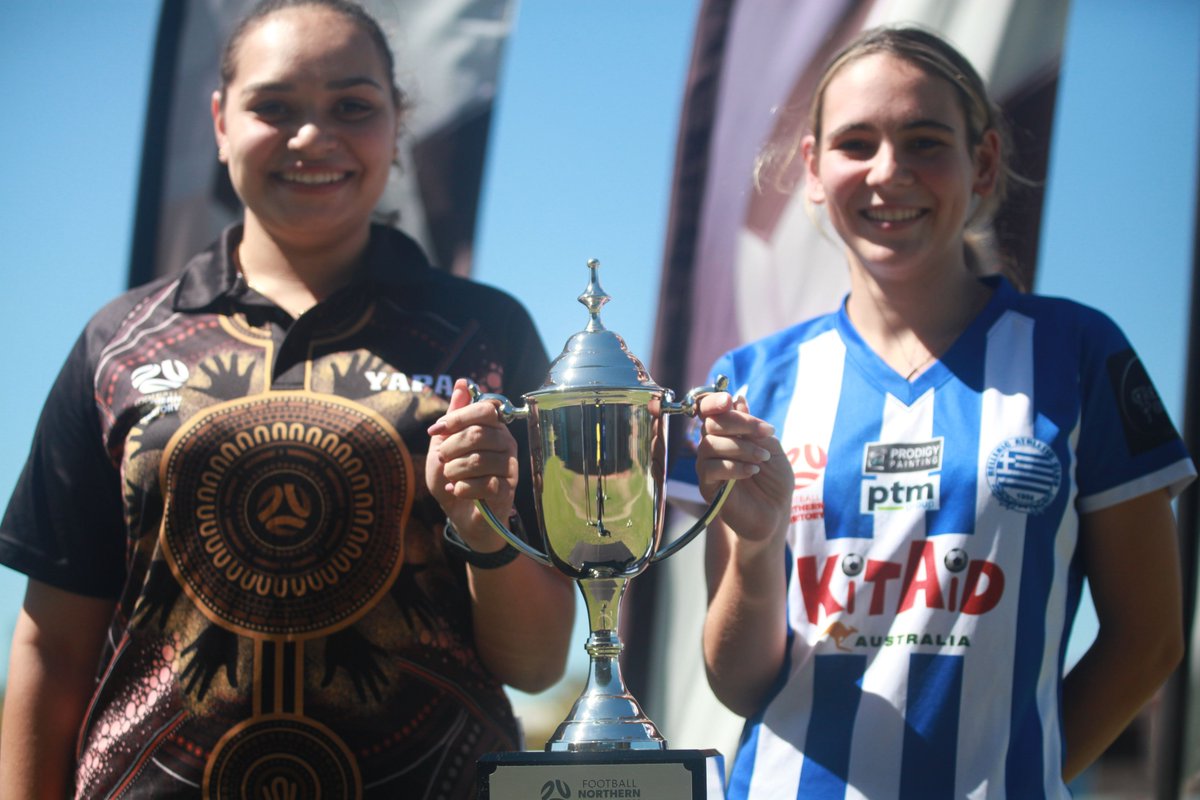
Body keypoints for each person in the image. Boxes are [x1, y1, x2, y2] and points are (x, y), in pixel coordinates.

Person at [0, 1, 573, 796]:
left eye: (353, 106)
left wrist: (484, 527)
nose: (313, 137)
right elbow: (50, 650)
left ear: (398, 125)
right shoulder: (118, 343)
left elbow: (540, 664)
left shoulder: (485, 332)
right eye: (274, 106)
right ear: (220, 120)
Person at [689, 25, 1195, 799]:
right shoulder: (753, 383)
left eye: (925, 142)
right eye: (856, 143)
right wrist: (757, 555)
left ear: (983, 161)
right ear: (814, 171)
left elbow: (1149, 638)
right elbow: (740, 683)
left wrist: (1020, 776)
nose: (889, 173)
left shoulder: (1080, 353)